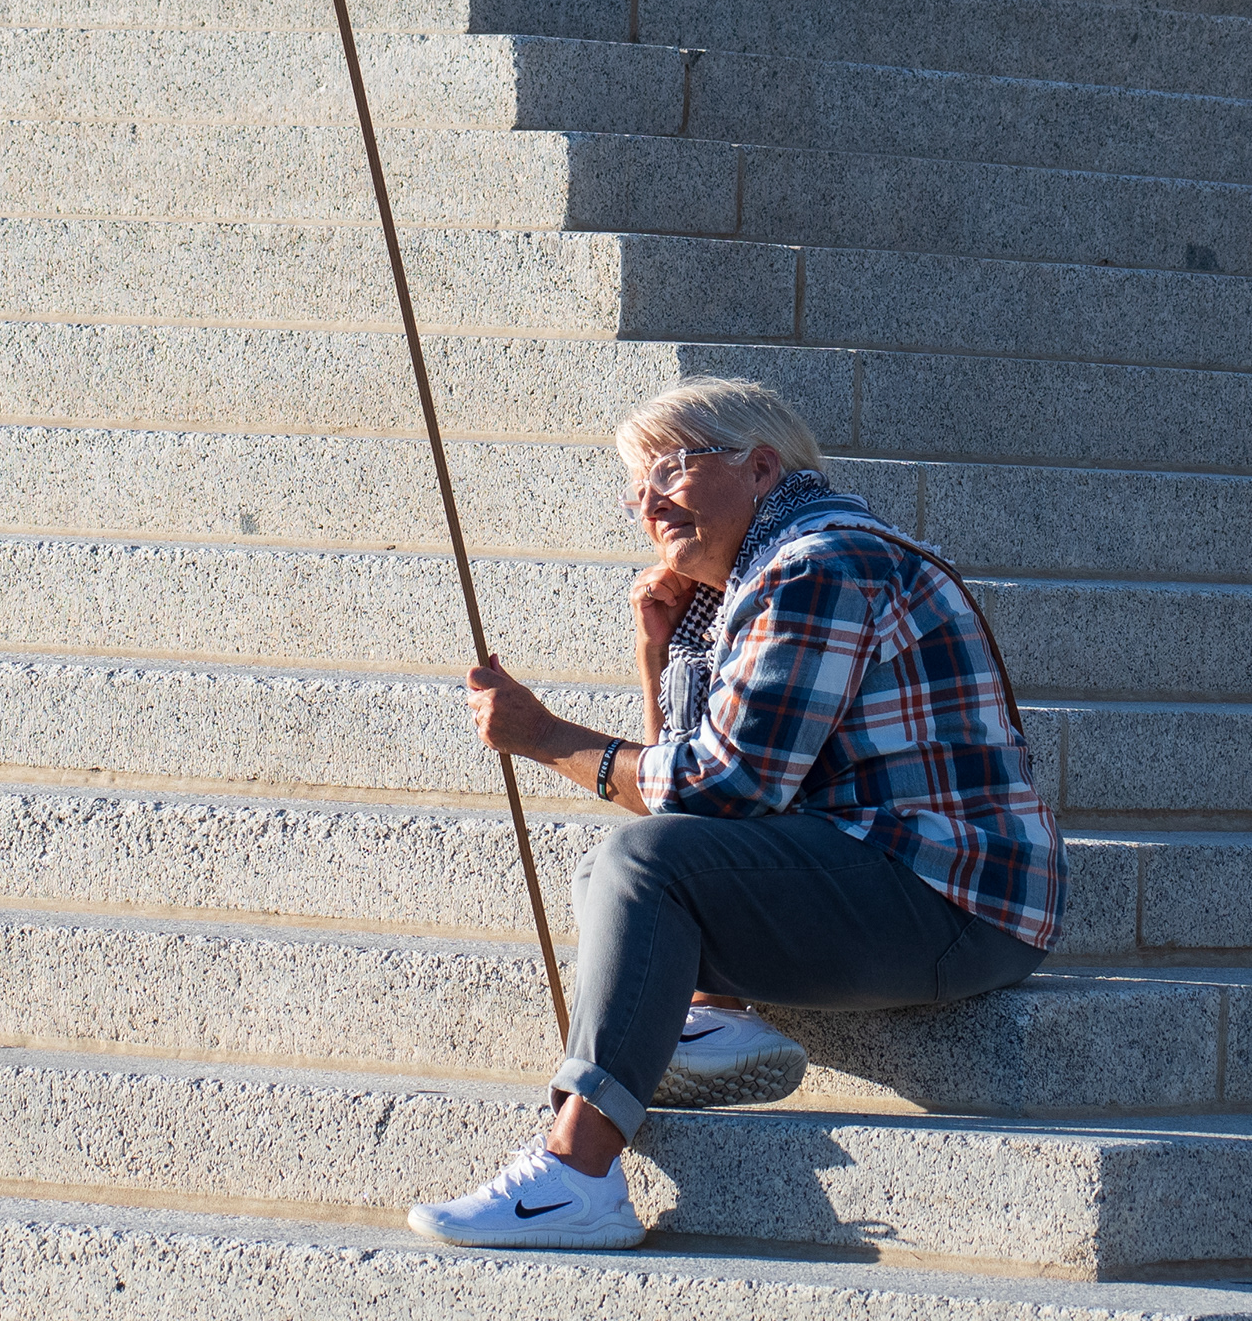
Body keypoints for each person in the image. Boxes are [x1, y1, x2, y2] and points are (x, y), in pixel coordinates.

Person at [408, 377, 1061, 1251]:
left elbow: (727, 789)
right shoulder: (746, 587)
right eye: (634, 488)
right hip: (886, 878)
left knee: (639, 869)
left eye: (670, 471)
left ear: (760, 468)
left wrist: (546, 736)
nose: (648, 502)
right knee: (626, 871)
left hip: (956, 904)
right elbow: (692, 800)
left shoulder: (821, 564)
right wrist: (653, 658)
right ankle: (709, 1013)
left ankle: (577, 1175)